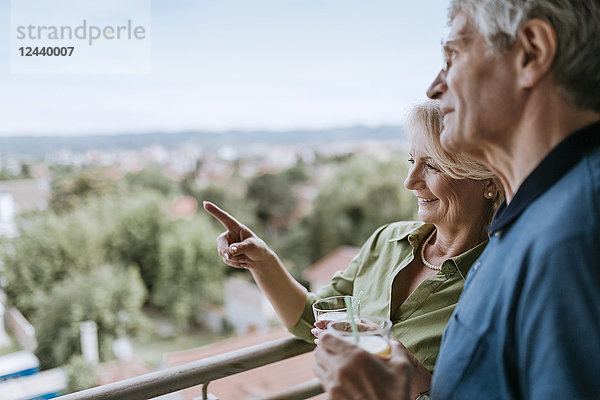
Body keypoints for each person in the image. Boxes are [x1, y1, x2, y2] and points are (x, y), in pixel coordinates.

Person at [315, 1, 600, 399]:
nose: (435, 87)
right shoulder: (530, 218)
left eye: (453, 55)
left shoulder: (575, 237)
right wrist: (421, 383)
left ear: (531, 52)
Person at [204, 101, 503, 397]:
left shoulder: (499, 286)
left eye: (432, 166)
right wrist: (262, 261)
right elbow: (314, 317)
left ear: (488, 180)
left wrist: (418, 382)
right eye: (412, 161)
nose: (409, 181)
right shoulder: (386, 241)